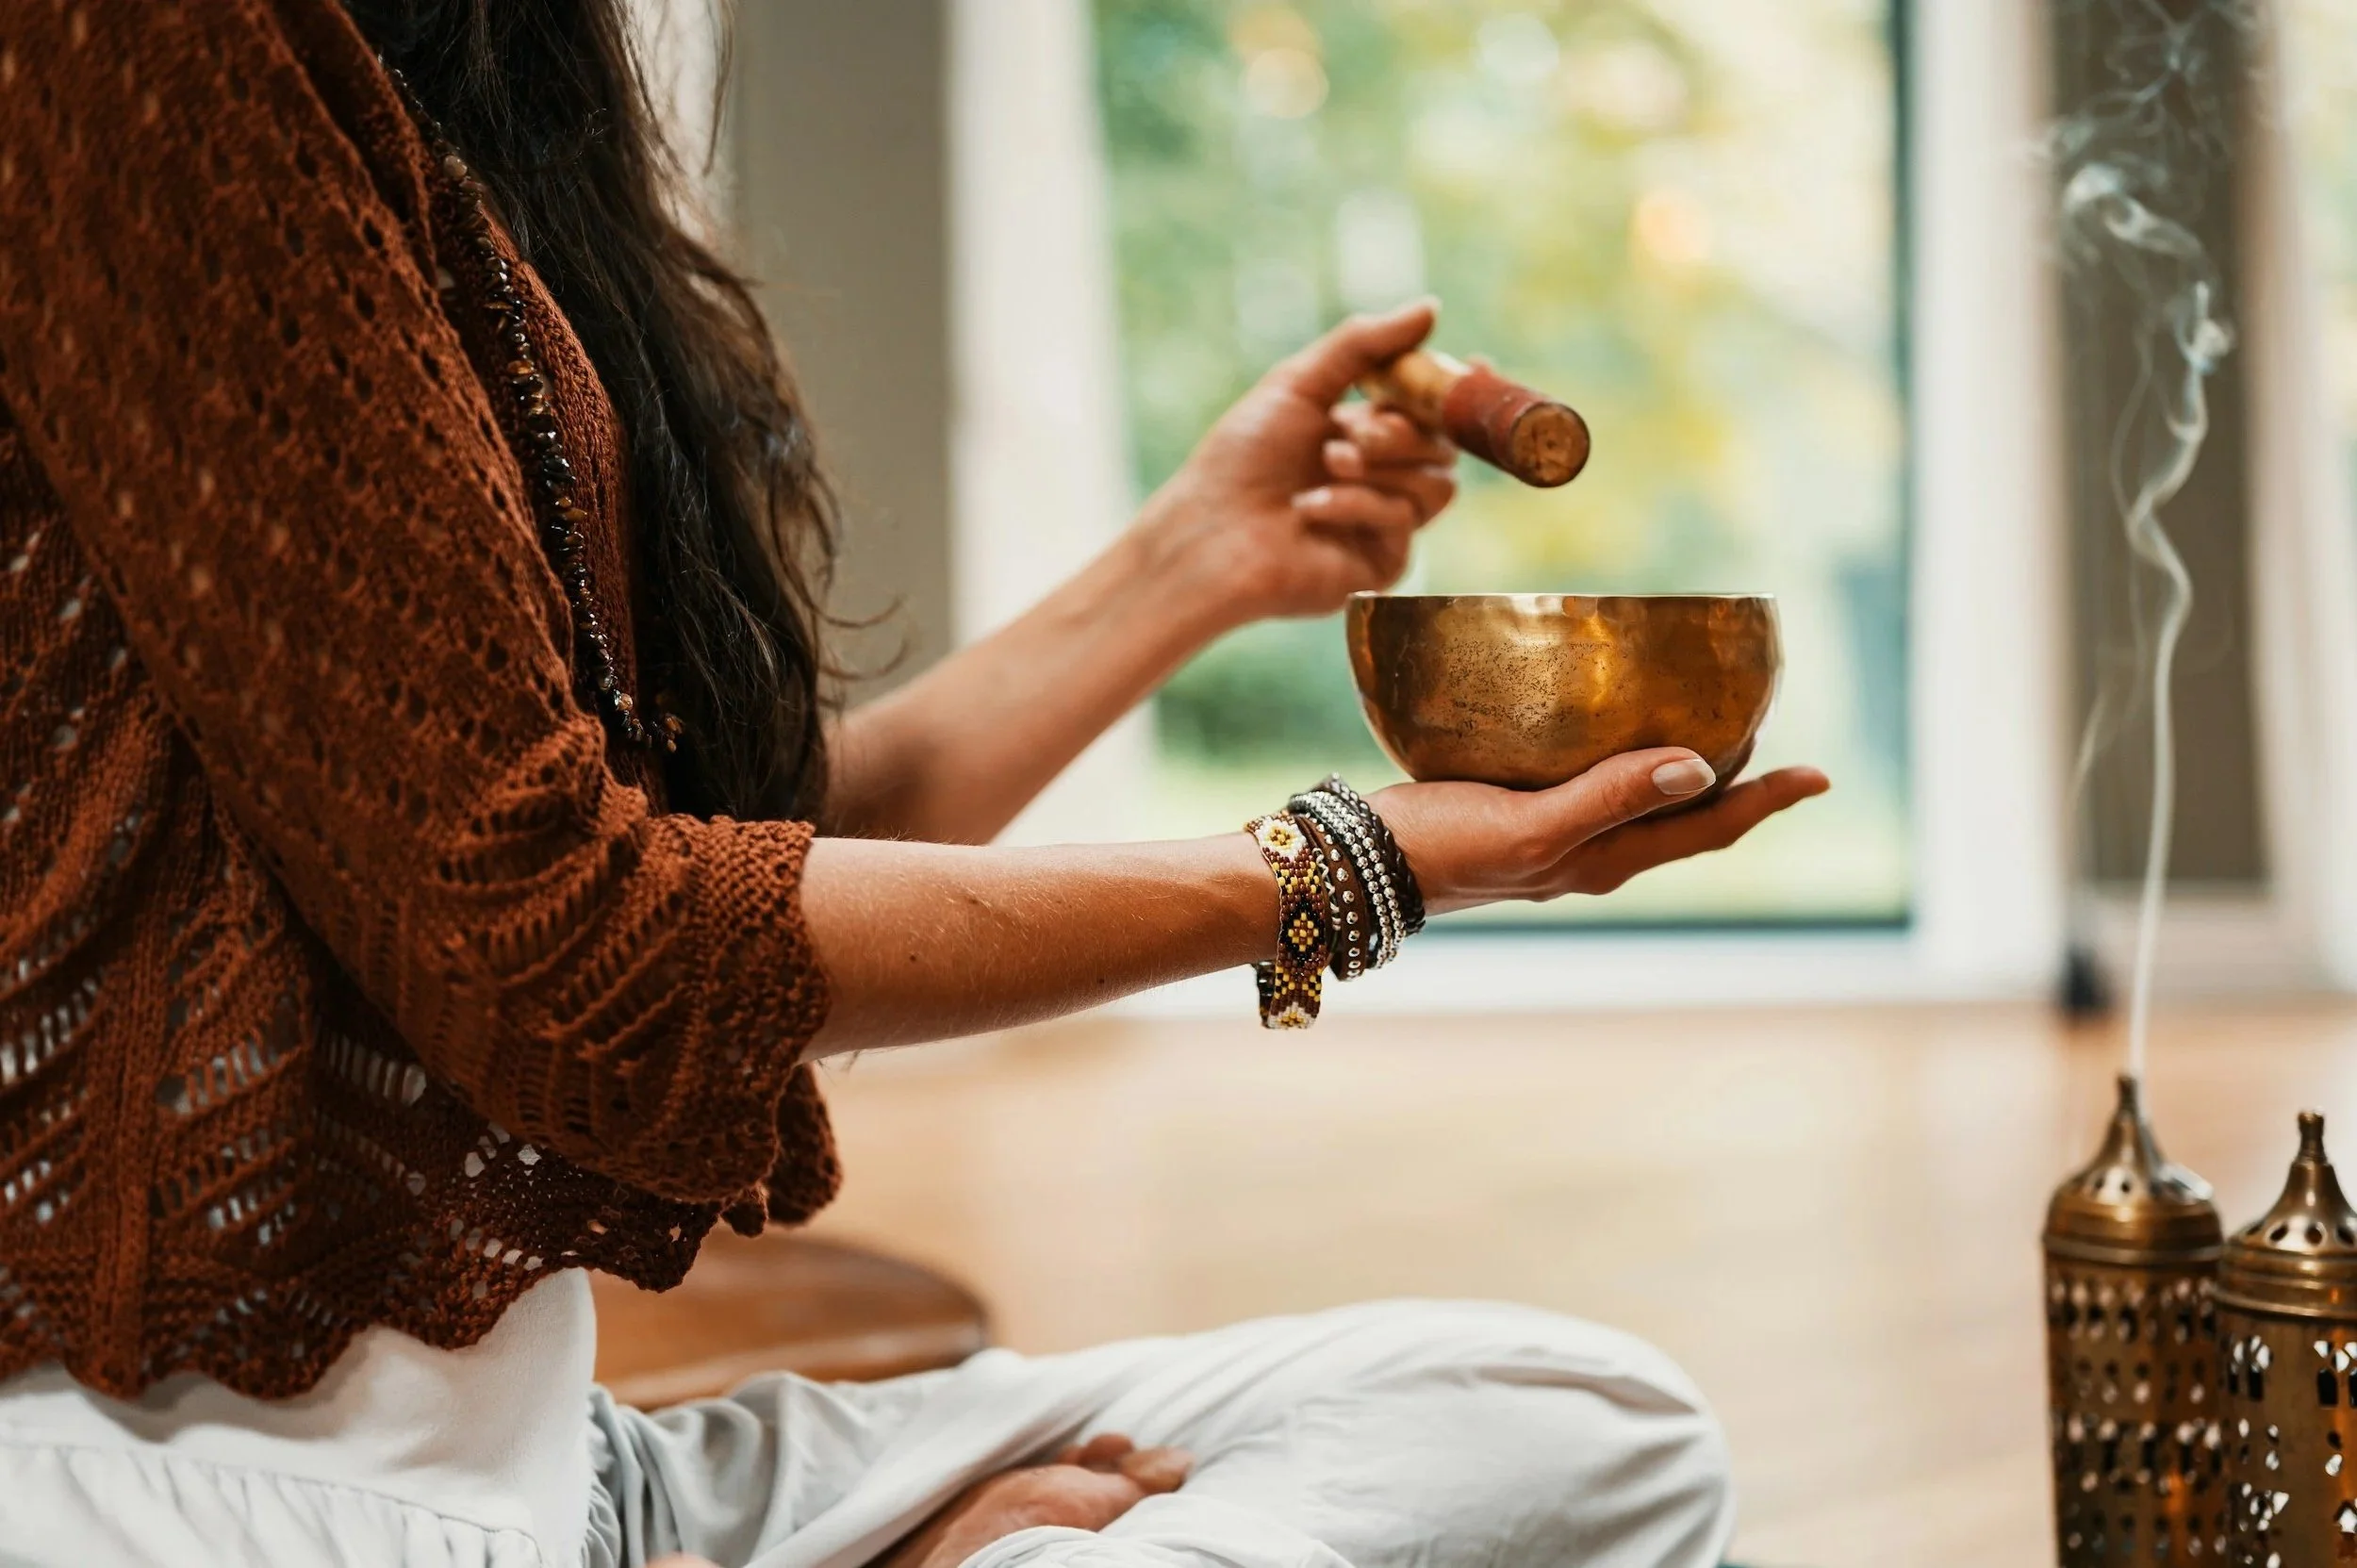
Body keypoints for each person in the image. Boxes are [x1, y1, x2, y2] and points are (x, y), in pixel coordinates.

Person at [0, 3, 1826, 1565]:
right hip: (223, 1508)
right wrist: (1343, 870)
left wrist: (1192, 561)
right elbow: (573, 945)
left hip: (568, 1492)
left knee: (1572, 1429)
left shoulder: (439, 82)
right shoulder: (127, 39)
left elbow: (718, 880)